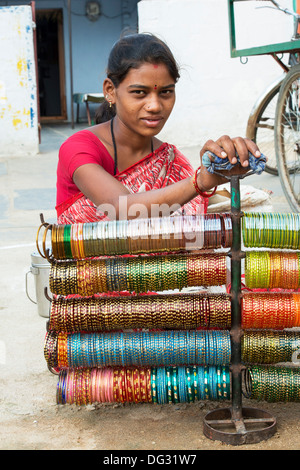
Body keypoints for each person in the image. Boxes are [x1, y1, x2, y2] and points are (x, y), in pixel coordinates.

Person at [56, 33, 261, 224]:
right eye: (139, 92)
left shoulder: (170, 161)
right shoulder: (78, 147)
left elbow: (191, 230)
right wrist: (199, 182)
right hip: (88, 263)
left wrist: (226, 164)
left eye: (165, 92)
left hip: (161, 263)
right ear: (110, 91)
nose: (154, 106)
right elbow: (119, 208)